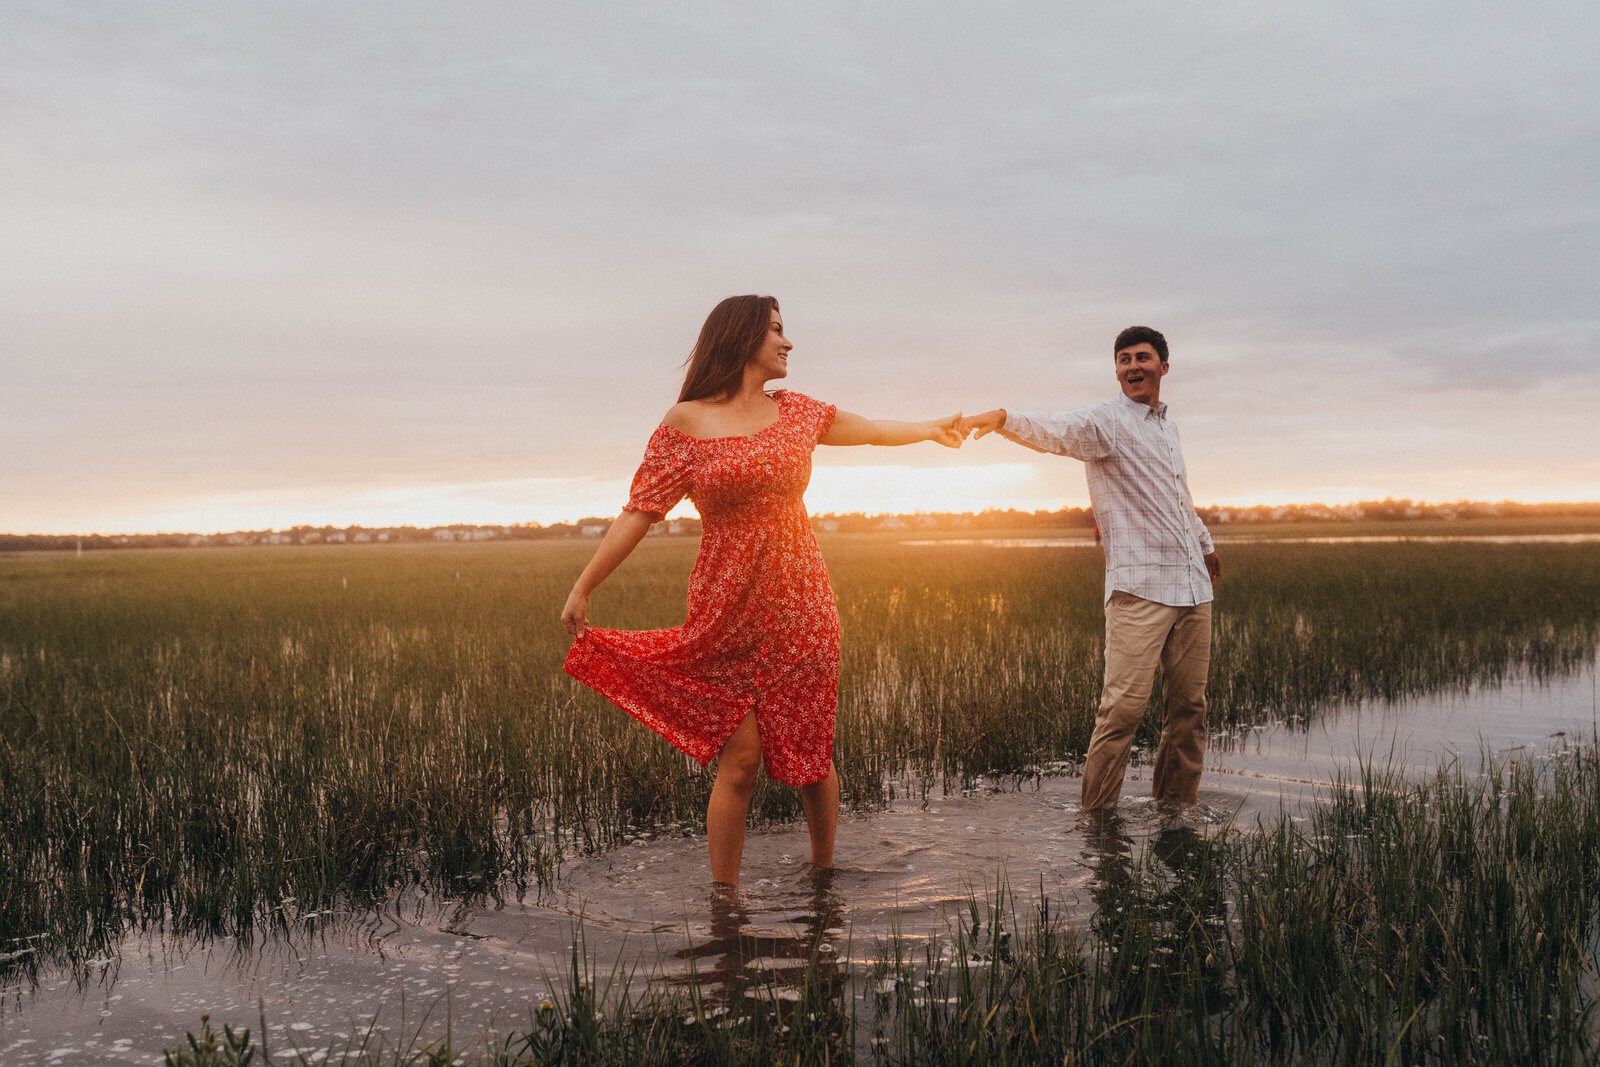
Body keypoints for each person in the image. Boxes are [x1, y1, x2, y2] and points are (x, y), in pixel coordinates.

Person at [561, 295, 963, 886]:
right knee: (742, 761)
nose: (788, 342)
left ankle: (823, 879)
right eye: (776, 330)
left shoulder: (797, 413)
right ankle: (726, 905)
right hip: (725, 608)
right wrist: (583, 586)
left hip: (802, 606)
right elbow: (639, 511)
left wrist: (932, 429)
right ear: (743, 337)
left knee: (810, 757)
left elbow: (874, 431)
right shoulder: (684, 423)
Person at [960, 326, 1220, 811]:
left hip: (1193, 588)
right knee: (1121, 712)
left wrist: (1205, 547)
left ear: (1164, 366)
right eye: (1123, 359)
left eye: (1143, 357)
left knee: (1189, 711)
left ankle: (1174, 811)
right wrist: (1001, 418)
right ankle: (1097, 822)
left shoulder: (1168, 427)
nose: (1132, 366)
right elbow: (1055, 430)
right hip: (1139, 590)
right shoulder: (1105, 421)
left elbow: (1180, 498)